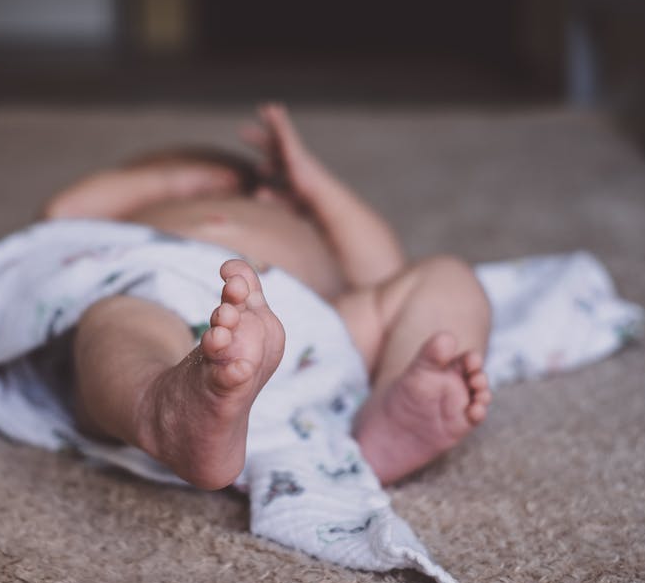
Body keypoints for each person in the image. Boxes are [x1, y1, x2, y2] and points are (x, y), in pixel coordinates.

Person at [41, 104, 492, 490]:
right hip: (159, 302)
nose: (250, 193)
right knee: (117, 323)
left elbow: (384, 271)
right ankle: (159, 408)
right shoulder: (136, 221)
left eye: (269, 191)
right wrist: (175, 180)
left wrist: (318, 189)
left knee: (444, 277)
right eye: (218, 186)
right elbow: (61, 216)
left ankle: (383, 427)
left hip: (304, 332)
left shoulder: (307, 223)